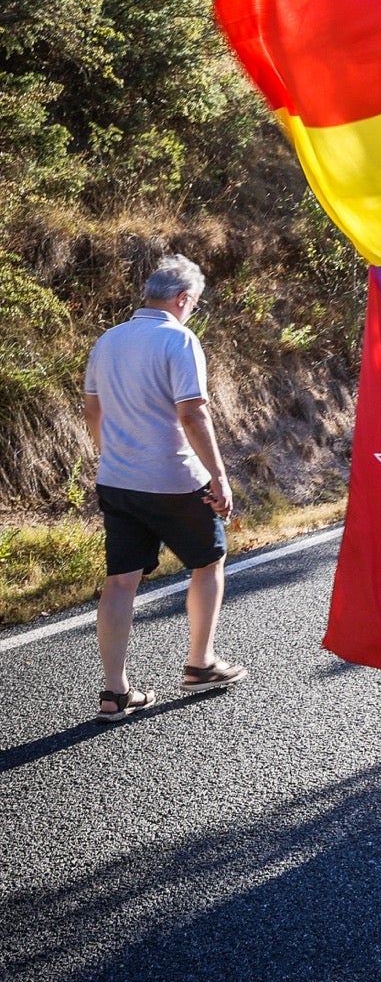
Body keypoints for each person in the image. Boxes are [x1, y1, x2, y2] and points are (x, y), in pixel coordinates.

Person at [83, 255, 245, 722]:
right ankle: (201, 663)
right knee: (209, 561)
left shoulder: (109, 340)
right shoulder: (179, 339)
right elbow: (193, 412)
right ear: (183, 299)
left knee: (120, 581)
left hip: (117, 478)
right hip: (173, 479)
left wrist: (110, 452)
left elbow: (93, 409)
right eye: (195, 303)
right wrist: (218, 476)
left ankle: (115, 693)